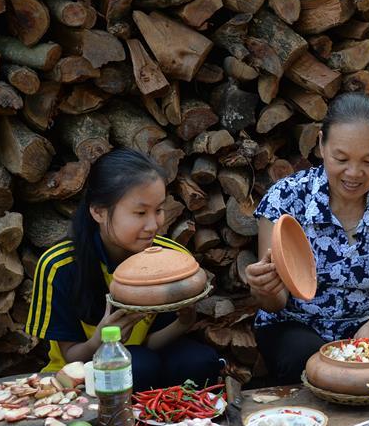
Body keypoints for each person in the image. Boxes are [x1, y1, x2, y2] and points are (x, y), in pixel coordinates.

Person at [246, 93, 369, 385]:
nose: (353, 173)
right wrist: (264, 289)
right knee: (302, 357)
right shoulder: (286, 197)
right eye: (341, 159)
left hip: (368, 322)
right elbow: (275, 303)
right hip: (297, 324)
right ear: (321, 145)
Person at [25, 149, 224, 390]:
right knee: (137, 365)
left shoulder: (170, 258)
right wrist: (100, 339)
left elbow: (150, 346)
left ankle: (187, 415)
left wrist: (183, 323)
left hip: (145, 361)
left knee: (198, 361)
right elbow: (71, 358)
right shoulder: (59, 265)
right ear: (98, 211)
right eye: (140, 213)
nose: (153, 225)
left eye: (159, 210)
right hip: (80, 373)